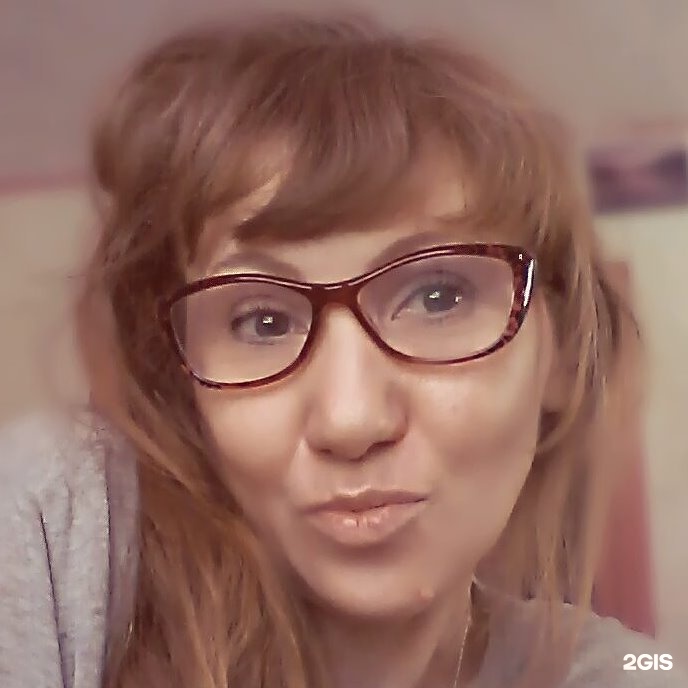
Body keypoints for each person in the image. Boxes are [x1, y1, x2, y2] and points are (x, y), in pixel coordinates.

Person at [1, 12, 684, 688]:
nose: (351, 421)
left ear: (564, 349)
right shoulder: (56, 530)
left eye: (438, 298)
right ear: (182, 380)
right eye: (262, 322)